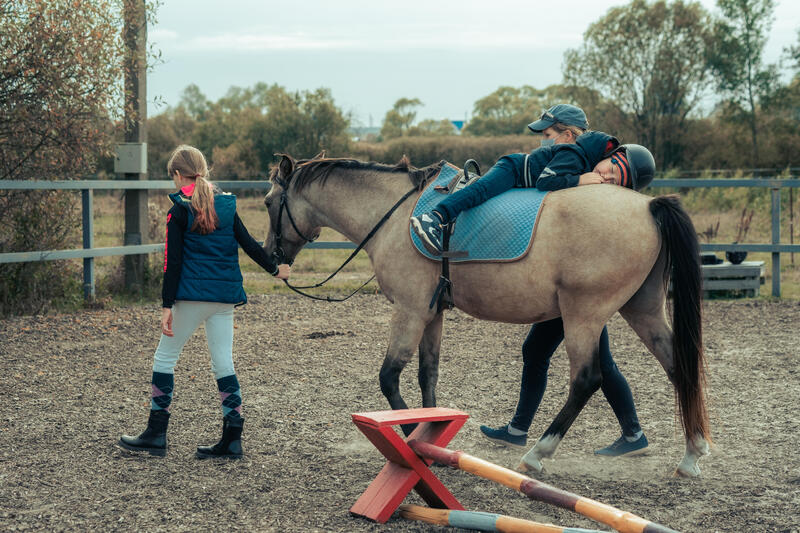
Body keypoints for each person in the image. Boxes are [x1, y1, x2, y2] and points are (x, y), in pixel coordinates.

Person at [411, 104, 655, 457]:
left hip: (571, 282)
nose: (544, 142)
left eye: (547, 135)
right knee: (480, 191)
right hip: (513, 173)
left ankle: (627, 434)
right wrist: (582, 179)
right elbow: (549, 181)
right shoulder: (575, 155)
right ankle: (438, 215)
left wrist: (587, 180)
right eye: (545, 136)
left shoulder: (583, 160)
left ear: (568, 134)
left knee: (583, 357)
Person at [119, 145, 290, 459]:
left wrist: (166, 306)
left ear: (176, 174)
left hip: (191, 297)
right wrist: (275, 269)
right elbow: (250, 244)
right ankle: (232, 438)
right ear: (204, 170)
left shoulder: (179, 210)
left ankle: (156, 434)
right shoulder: (225, 205)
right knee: (223, 363)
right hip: (224, 299)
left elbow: (173, 263)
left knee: (164, 359)